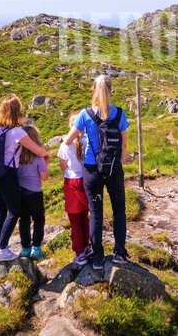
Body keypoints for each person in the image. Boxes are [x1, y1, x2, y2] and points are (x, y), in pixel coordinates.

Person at [60, 75, 129, 270]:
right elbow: (124, 143)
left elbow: (67, 141)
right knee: (118, 210)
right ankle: (119, 253)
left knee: (96, 213)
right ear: (111, 91)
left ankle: (98, 258)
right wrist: (119, 163)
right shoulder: (120, 114)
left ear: (93, 91)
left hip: (92, 169)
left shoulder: (85, 114)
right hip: (114, 168)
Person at [0, 94, 48, 262]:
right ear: (17, 111)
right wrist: (45, 154)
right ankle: (1, 248)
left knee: (0, 211)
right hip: (7, 175)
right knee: (14, 211)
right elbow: (38, 151)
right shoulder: (16, 132)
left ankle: (0, 244)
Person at [58, 111, 91, 265]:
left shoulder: (66, 143)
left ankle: (79, 253)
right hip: (86, 180)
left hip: (72, 181)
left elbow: (63, 165)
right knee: (84, 215)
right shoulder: (86, 140)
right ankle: (87, 246)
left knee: (74, 219)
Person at [17, 125, 49, 259]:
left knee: (24, 220)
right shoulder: (38, 158)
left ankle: (25, 248)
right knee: (39, 219)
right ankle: (36, 248)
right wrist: (46, 163)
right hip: (34, 193)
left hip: (19, 193)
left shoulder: (16, 156)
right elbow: (44, 177)